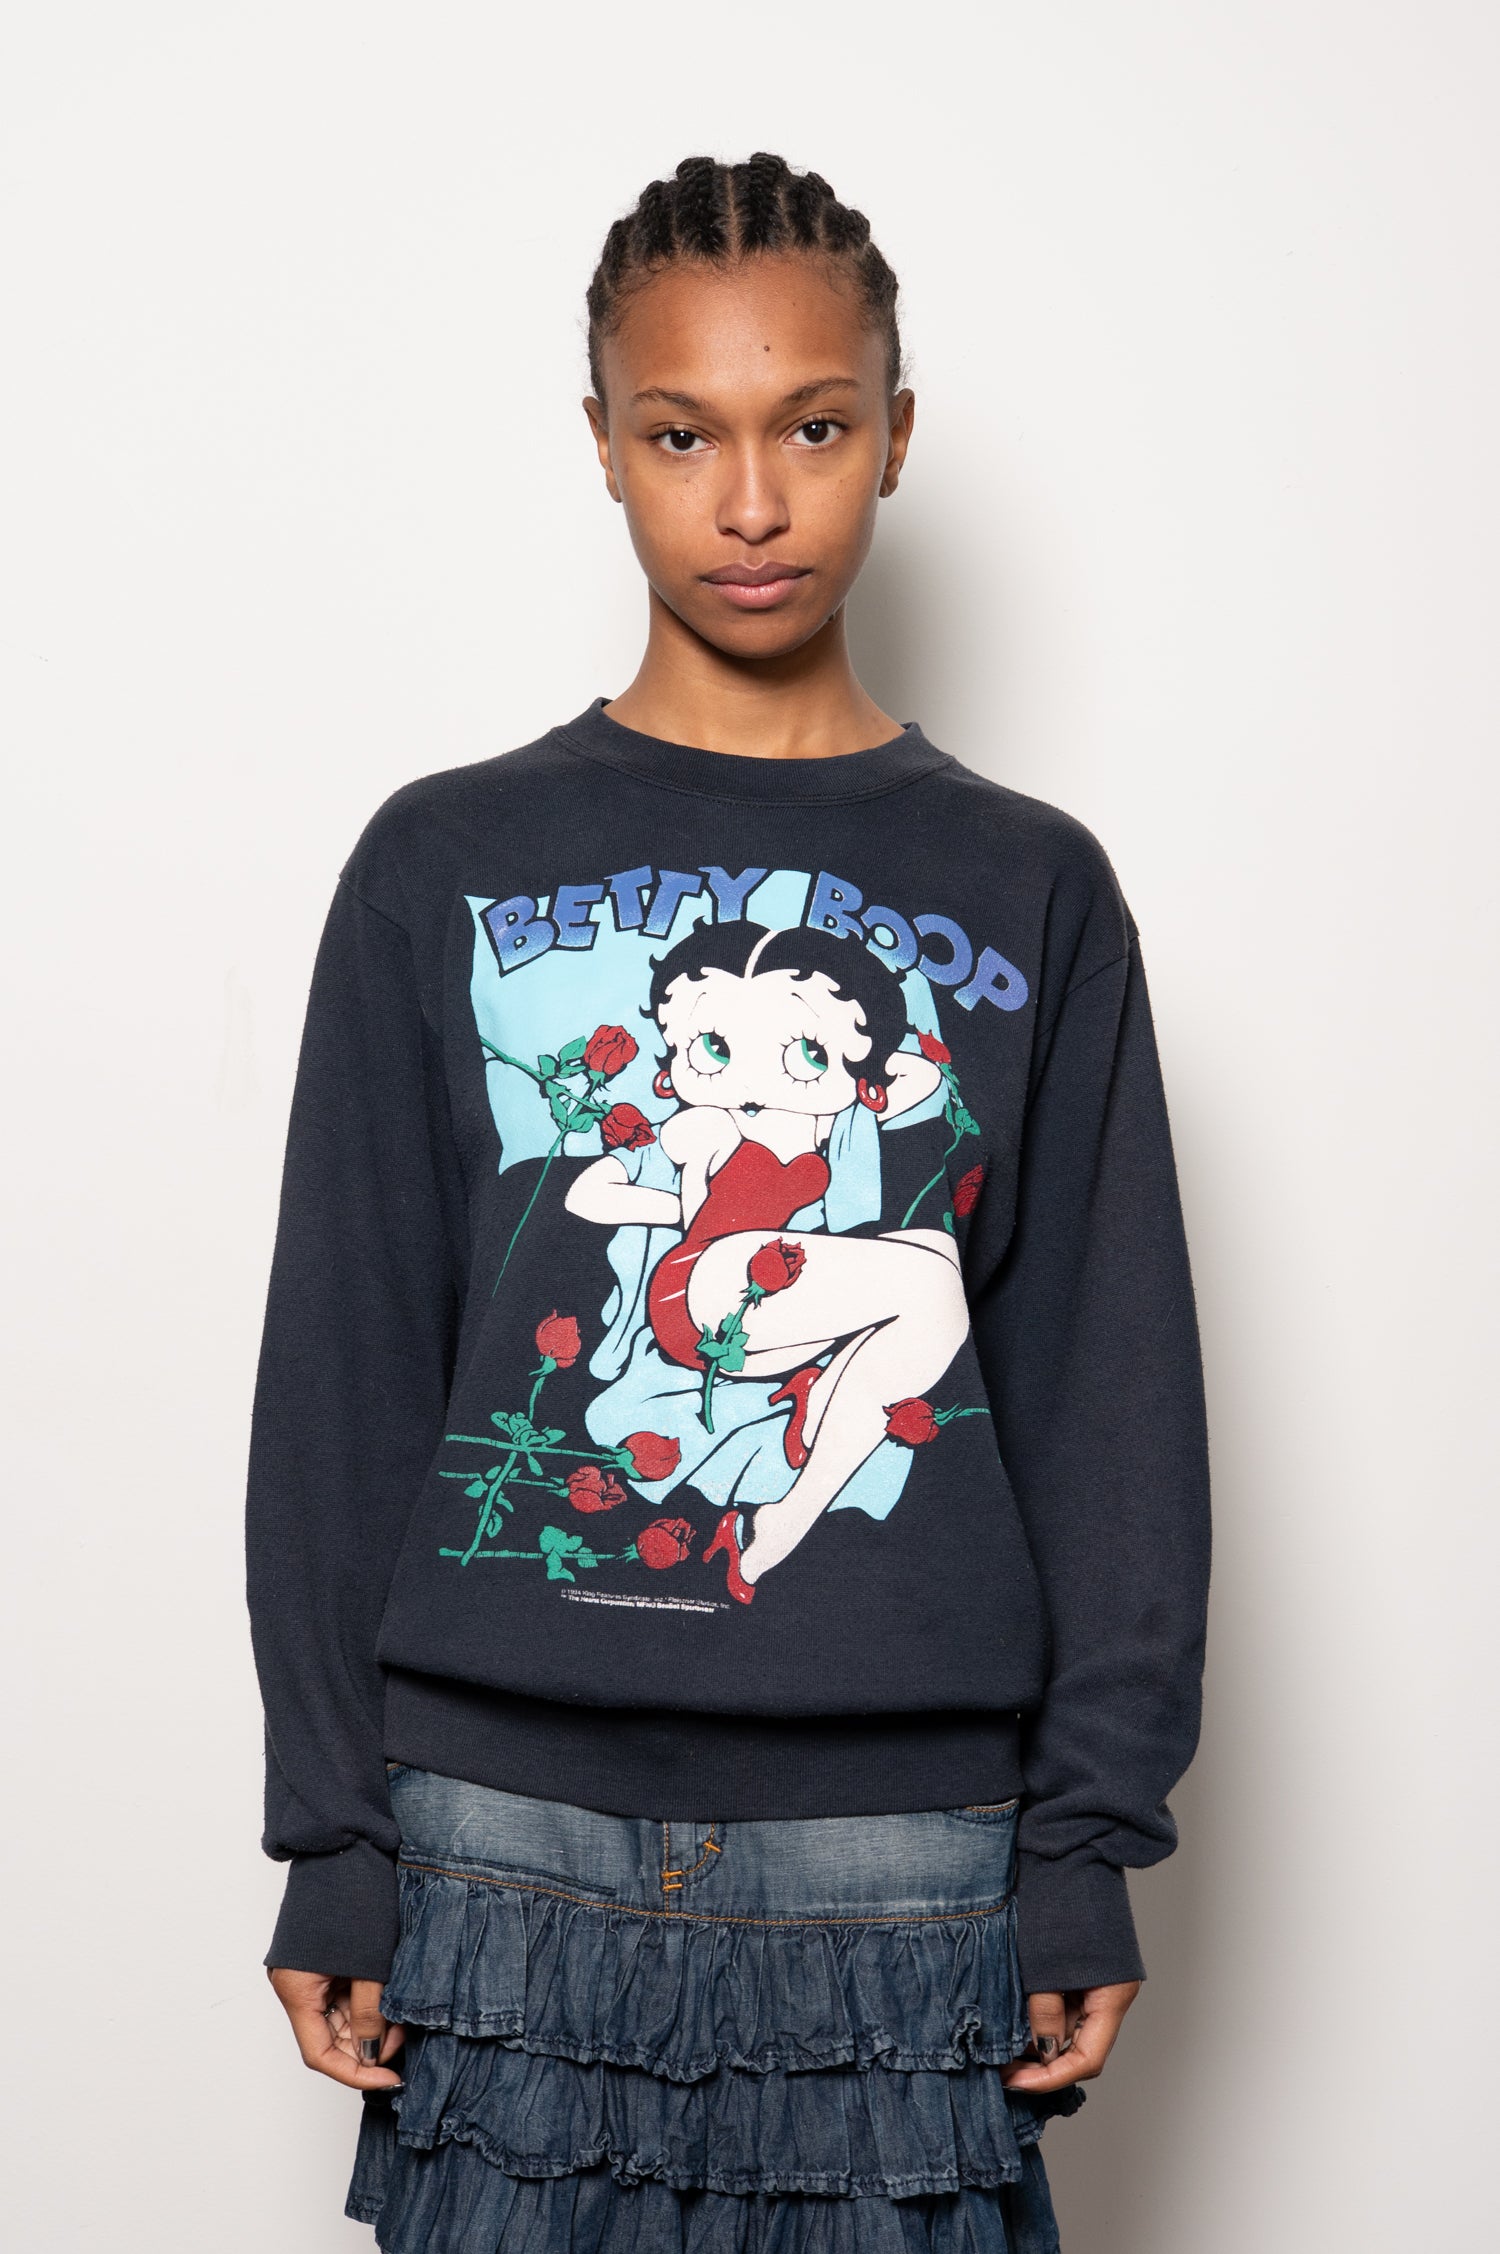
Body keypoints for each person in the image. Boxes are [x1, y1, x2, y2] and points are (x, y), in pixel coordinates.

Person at [246, 150, 1213, 2254]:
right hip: (495, 1844)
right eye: (684, 435)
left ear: (897, 433)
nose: (753, 502)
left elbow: (1110, 1390)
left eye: (815, 428)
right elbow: (345, 1363)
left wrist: (1089, 1840)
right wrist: (331, 1826)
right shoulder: (440, 862)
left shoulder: (1033, 885)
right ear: (602, 442)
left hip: (909, 1854)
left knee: (906, 1295)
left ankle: (783, 1496)